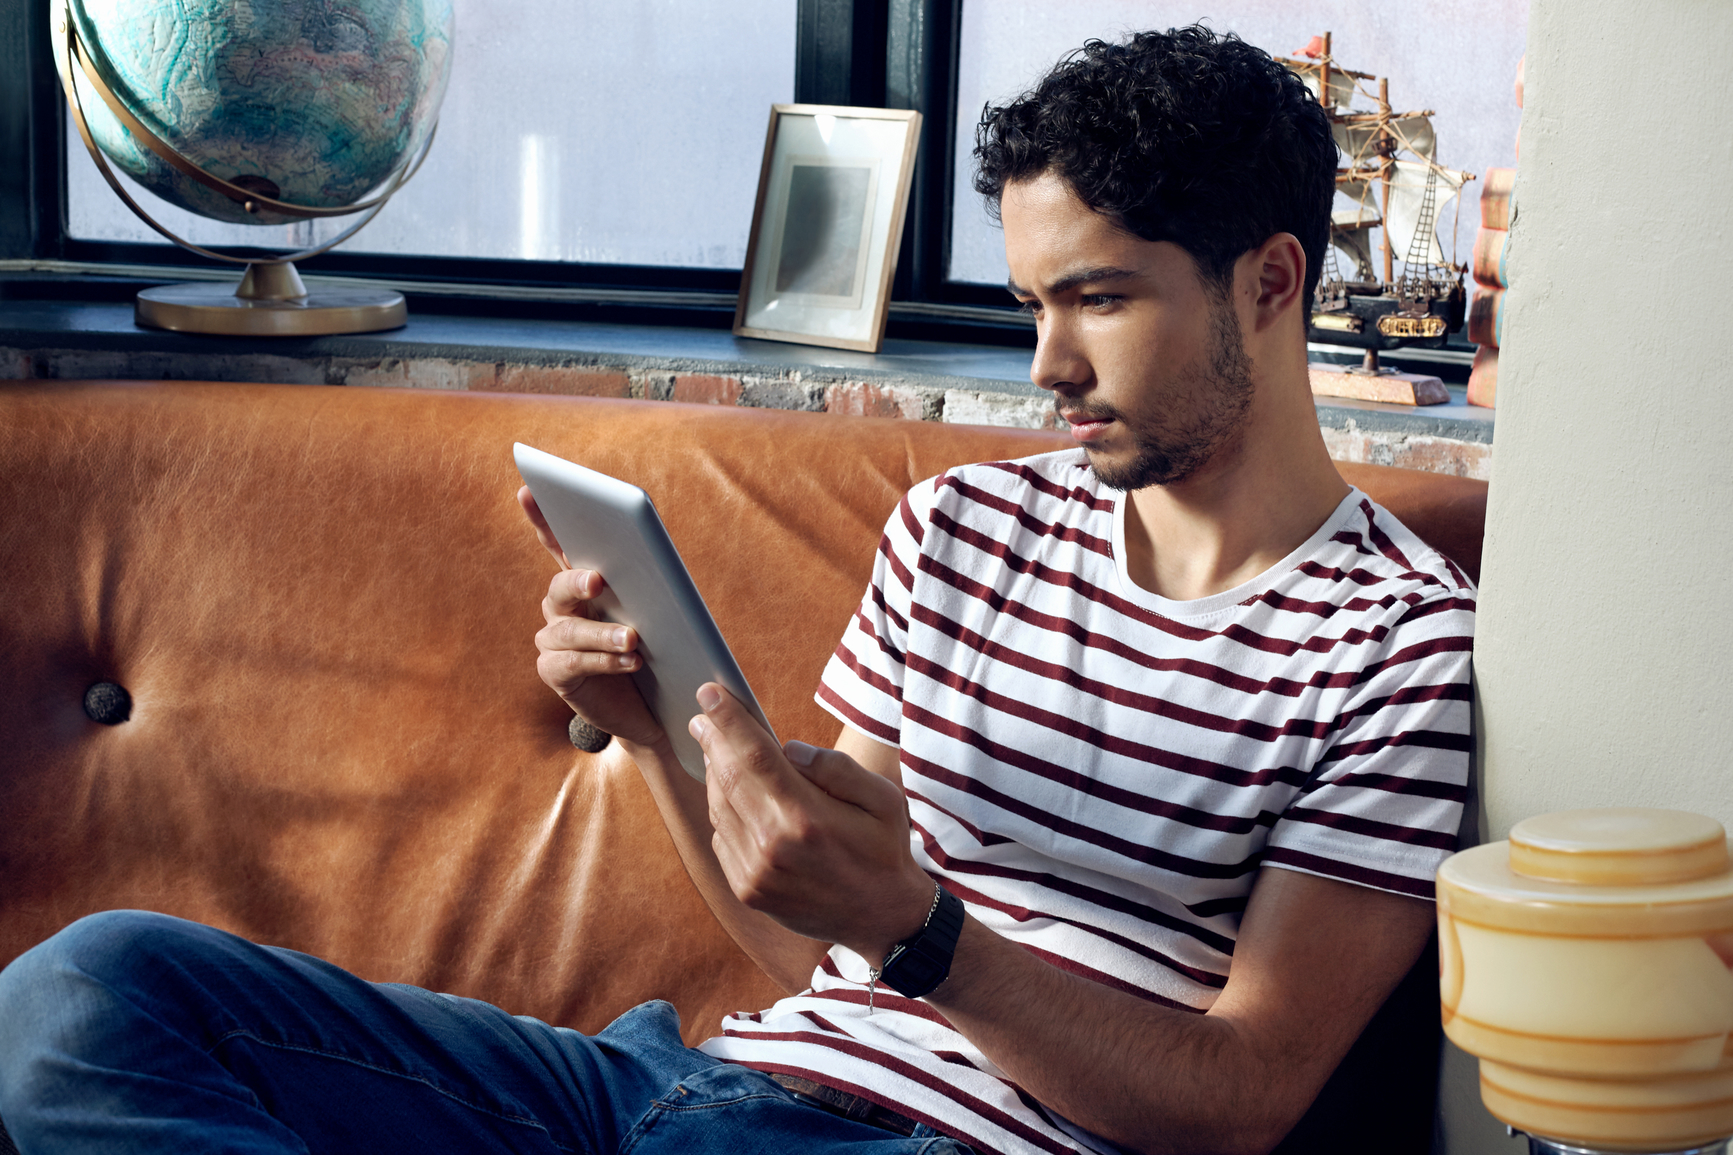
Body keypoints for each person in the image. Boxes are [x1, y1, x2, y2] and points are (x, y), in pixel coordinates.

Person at [0, 26, 1473, 1155]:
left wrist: (926, 938)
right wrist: (648, 729)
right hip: (687, 1086)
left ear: (1270, 283)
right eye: (1033, 304)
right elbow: (806, 944)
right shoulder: (966, 526)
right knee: (88, 996)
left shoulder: (1394, 647)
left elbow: (1239, 1103)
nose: (1046, 367)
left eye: (1099, 299)